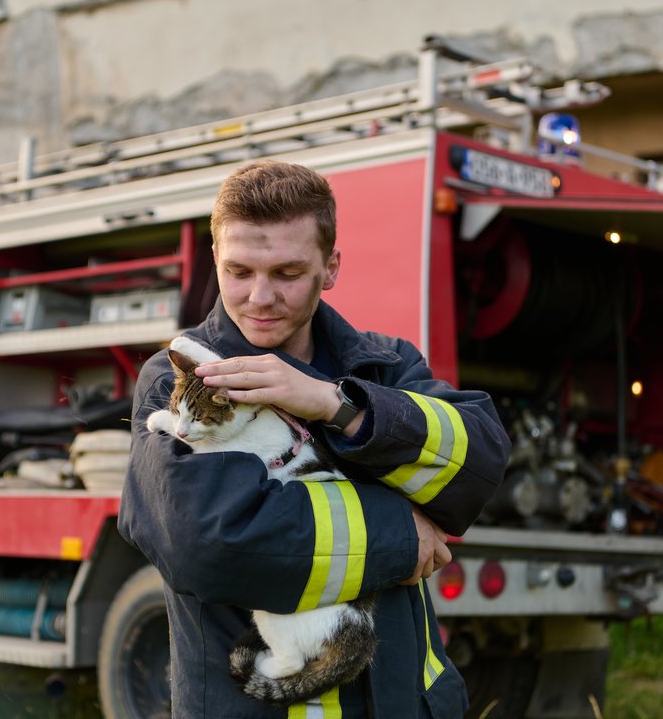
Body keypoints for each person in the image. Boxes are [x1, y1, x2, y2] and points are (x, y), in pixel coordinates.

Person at [120, 160, 510, 718]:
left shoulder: (385, 364)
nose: (259, 296)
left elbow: (480, 464)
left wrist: (335, 405)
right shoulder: (177, 377)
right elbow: (209, 543)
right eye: (239, 271)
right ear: (216, 262)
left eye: (286, 273)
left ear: (330, 268)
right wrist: (403, 534)